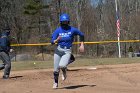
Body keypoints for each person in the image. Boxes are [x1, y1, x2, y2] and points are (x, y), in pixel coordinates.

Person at [51, 13, 85, 89]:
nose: (64, 23)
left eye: (66, 21)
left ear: (68, 22)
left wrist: (82, 44)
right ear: (61, 22)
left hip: (67, 50)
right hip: (58, 50)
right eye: (63, 22)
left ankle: (64, 71)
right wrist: (56, 40)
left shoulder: (72, 29)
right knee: (56, 69)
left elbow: (82, 35)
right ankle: (55, 83)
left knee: (62, 65)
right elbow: (52, 41)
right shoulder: (58, 30)